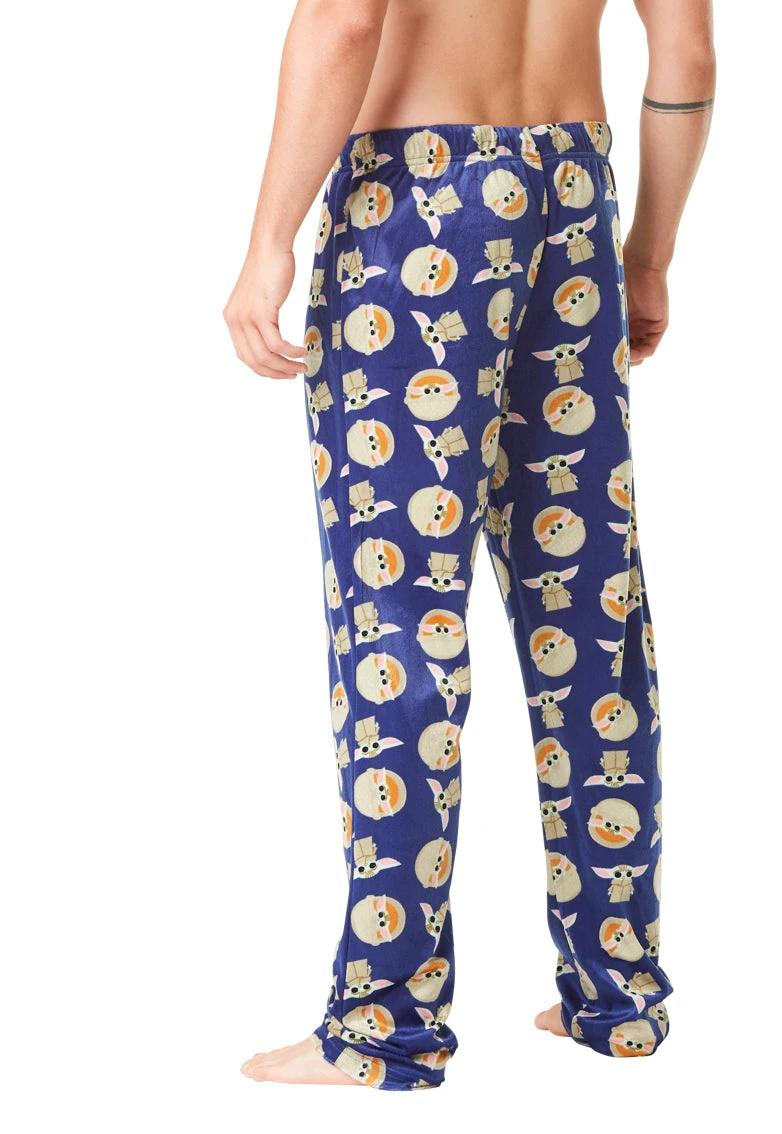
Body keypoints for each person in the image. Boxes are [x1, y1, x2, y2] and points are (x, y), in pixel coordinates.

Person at [224, 0, 714, 1091]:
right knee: (589, 613)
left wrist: (267, 244)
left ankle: (385, 1024)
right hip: (574, 195)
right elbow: (686, 49)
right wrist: (649, 255)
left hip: (420, 206)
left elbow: (347, 20)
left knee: (399, 619)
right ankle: (619, 996)